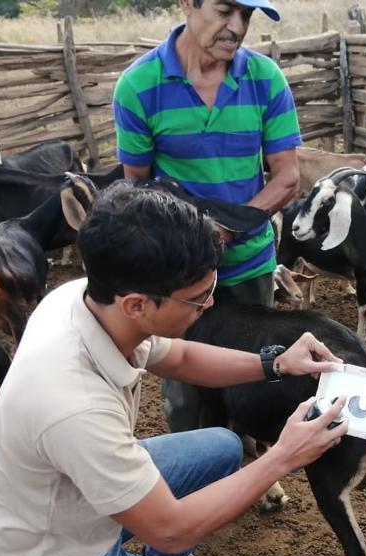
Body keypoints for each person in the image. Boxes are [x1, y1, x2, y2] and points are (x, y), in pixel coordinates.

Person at [0, 183, 348, 556]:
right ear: (138, 305)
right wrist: (282, 457)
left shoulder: (83, 301)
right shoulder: (72, 403)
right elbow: (170, 529)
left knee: (221, 447)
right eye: (198, 298)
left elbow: (180, 357)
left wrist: (274, 362)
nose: (209, 305)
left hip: (67, 501)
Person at [113, 0, 302, 431]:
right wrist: (191, 241)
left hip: (250, 264)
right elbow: (137, 187)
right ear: (187, 4)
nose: (236, 26)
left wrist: (227, 231)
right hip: (179, 273)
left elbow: (287, 178)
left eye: (246, 15)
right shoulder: (139, 86)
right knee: (185, 391)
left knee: (255, 374)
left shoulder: (265, 79)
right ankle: (197, 455)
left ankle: (247, 454)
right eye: (224, 11)